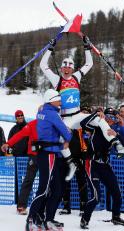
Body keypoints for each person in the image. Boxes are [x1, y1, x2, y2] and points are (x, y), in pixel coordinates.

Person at [40, 36, 124, 163]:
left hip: (78, 115)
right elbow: (43, 65)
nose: (67, 70)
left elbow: (89, 64)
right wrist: (50, 48)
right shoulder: (57, 79)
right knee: (61, 138)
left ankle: (118, 146)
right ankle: (68, 162)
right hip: (66, 119)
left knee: (100, 120)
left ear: (72, 69)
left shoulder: (76, 77)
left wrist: (87, 47)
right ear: (62, 68)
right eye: (64, 67)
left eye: (69, 67)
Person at [25, 89, 72, 231]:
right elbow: (66, 133)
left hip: (49, 153)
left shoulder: (43, 111)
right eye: (58, 99)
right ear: (51, 100)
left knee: (57, 188)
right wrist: (68, 137)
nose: (60, 102)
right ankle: (31, 218)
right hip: (48, 154)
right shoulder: (52, 114)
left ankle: (47, 218)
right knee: (44, 188)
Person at [79, 108, 124, 229]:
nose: (110, 120)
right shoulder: (96, 128)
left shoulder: (112, 131)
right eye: (108, 117)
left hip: (105, 165)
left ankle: (116, 217)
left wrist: (118, 134)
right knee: (96, 196)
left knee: (117, 192)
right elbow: (83, 124)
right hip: (92, 164)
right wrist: (95, 114)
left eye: (113, 118)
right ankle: (85, 219)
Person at [1, 119, 38, 215]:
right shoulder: (32, 124)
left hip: (47, 155)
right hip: (33, 156)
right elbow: (19, 135)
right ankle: (21, 205)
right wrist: (8, 144)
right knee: (28, 179)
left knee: (46, 181)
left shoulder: (52, 122)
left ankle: (43, 205)